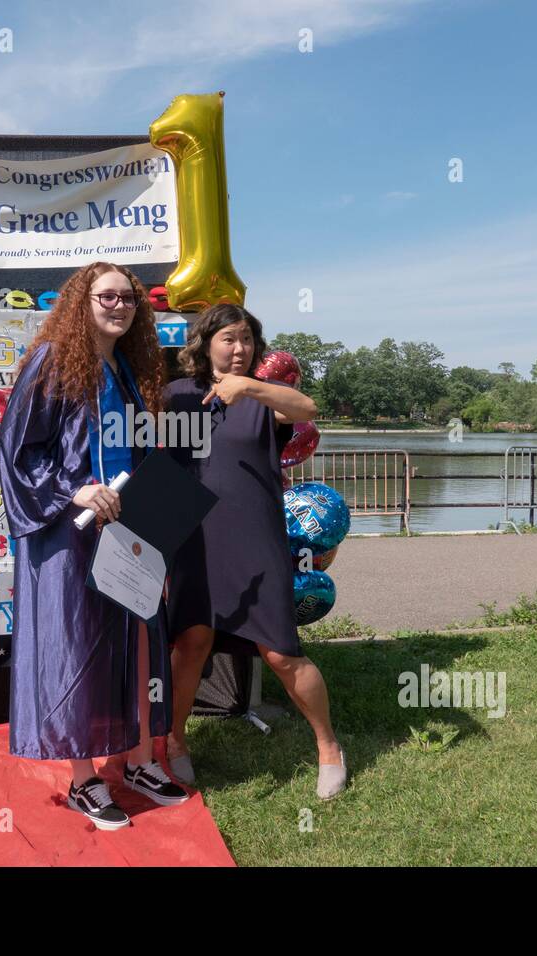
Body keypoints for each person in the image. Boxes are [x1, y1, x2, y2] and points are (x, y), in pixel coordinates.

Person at [0, 261, 188, 831]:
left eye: (129, 298)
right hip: (70, 532)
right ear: (83, 301)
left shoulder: (127, 368)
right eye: (107, 296)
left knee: (137, 647)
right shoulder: (54, 360)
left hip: (129, 528)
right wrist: (73, 490)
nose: (119, 306)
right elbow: (17, 450)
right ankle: (84, 780)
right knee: (79, 651)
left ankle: (138, 761)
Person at [162, 303, 346, 799]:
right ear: (206, 344)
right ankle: (175, 741)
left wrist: (249, 388)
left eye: (246, 339)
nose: (239, 348)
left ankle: (329, 746)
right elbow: (159, 465)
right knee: (191, 643)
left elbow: (307, 410)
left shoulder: (266, 399)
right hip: (193, 539)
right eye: (228, 339)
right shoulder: (175, 396)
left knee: (283, 654)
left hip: (256, 538)